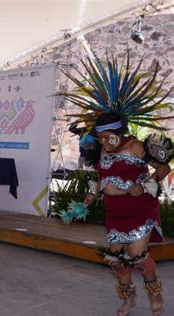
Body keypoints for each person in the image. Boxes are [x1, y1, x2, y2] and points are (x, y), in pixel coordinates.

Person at [60, 52, 172, 316]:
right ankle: (128, 300)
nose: (102, 141)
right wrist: (91, 195)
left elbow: (164, 168)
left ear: (118, 131)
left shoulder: (136, 146)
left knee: (138, 259)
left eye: (106, 136)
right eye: (99, 137)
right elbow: (101, 178)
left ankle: (155, 297)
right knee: (117, 263)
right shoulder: (103, 151)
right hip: (114, 213)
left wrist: (143, 186)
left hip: (139, 211)